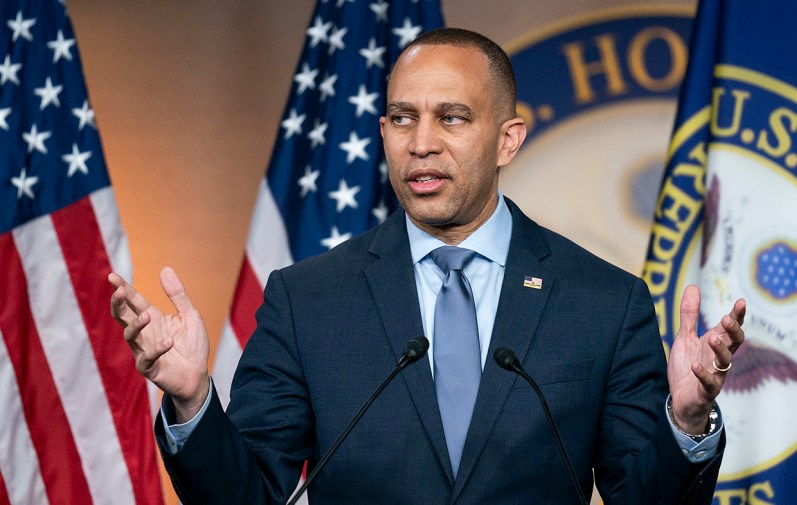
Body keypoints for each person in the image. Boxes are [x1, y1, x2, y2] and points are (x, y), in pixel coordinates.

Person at [109, 28, 745, 504]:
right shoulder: (307, 301)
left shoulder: (604, 303)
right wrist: (193, 403)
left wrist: (685, 425)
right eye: (402, 118)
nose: (421, 142)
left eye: (453, 117)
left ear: (508, 140)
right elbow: (246, 496)